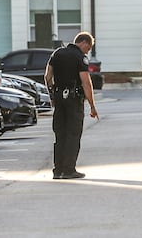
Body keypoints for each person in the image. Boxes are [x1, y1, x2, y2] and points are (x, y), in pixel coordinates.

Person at [44, 31, 98, 179]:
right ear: (84, 42)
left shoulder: (57, 53)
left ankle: (57, 170)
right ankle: (69, 170)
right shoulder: (80, 57)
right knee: (73, 135)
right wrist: (92, 106)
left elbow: (48, 76)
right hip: (74, 100)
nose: (88, 50)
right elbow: (86, 83)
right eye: (89, 48)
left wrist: (52, 96)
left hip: (59, 99)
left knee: (60, 134)